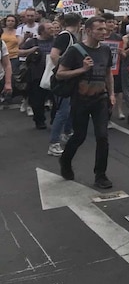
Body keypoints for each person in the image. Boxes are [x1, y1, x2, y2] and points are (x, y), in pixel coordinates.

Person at [57, 16, 116, 190]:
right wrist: (82, 69)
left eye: (105, 29)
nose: (104, 32)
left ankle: (100, 175)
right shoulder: (75, 50)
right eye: (99, 29)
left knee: (102, 137)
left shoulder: (105, 50)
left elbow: (108, 73)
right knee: (79, 136)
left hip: (100, 99)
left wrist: (111, 93)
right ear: (88, 30)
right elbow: (60, 74)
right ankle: (65, 160)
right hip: (81, 99)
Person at [47, 13, 82, 157]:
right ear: (79, 22)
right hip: (63, 79)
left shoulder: (71, 36)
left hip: (69, 78)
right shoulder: (65, 36)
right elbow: (54, 55)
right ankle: (53, 143)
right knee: (63, 111)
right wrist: (62, 70)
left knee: (68, 109)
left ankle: (67, 133)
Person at [20, 21, 53, 129]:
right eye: (49, 28)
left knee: (56, 98)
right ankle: (39, 121)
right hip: (37, 74)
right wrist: (31, 50)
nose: (52, 30)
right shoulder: (32, 42)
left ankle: (55, 118)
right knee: (37, 100)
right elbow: (19, 52)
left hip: (53, 74)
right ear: (42, 31)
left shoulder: (56, 41)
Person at [17, 7, 38, 115]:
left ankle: (30, 104)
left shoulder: (40, 27)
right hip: (24, 59)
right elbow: (19, 46)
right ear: (25, 17)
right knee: (24, 82)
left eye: (32, 15)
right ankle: (25, 100)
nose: (30, 18)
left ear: (36, 16)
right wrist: (25, 38)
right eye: (28, 16)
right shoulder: (20, 29)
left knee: (34, 83)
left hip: (36, 59)